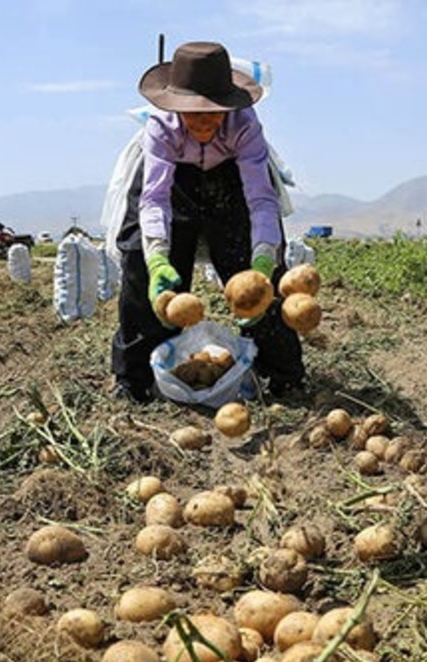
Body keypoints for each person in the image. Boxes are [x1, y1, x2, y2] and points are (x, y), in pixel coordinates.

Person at [110, 40, 305, 403]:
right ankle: (133, 379)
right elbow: (154, 199)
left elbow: (261, 199)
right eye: (192, 112)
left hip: (230, 177)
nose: (203, 122)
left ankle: (283, 374)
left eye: (213, 112)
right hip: (173, 182)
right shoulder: (161, 128)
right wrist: (156, 257)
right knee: (139, 261)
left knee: (257, 275)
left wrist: (263, 257)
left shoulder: (244, 126)